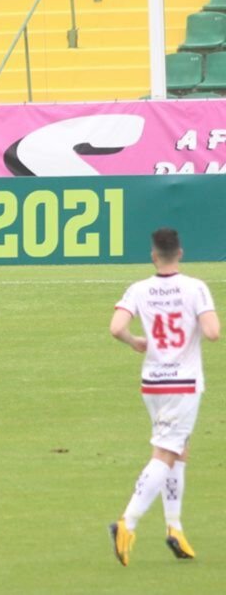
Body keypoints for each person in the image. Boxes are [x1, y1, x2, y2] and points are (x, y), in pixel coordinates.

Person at [108, 228, 220, 565]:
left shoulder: (139, 289)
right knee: (166, 452)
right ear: (180, 253)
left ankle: (174, 527)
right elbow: (213, 333)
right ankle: (127, 522)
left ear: (154, 256)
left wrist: (135, 341)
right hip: (184, 383)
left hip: (153, 382)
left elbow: (116, 327)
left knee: (178, 450)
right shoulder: (195, 288)